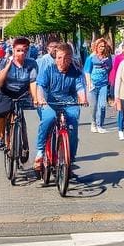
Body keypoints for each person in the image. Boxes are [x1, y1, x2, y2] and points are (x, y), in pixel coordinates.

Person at [33, 42, 87, 175]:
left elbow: (80, 87)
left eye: (66, 58)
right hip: (49, 102)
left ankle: (70, 158)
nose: (62, 61)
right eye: (59, 58)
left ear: (70, 58)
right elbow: (40, 86)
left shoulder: (76, 72)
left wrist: (83, 98)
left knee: (73, 124)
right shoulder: (48, 70)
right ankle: (40, 151)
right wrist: (41, 99)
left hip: (69, 103)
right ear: (55, 58)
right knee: (49, 118)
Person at [0, 37, 38, 152]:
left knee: (20, 117)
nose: (22, 53)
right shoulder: (4, 61)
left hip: (22, 94)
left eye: (24, 50)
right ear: (13, 50)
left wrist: (35, 98)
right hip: (5, 92)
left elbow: (32, 82)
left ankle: (23, 140)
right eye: (18, 50)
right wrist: (8, 64)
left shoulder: (31, 63)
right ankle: (1, 137)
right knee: (3, 115)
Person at [84, 38, 113, 133]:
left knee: (102, 106)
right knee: (94, 106)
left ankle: (100, 124)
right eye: (100, 46)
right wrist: (89, 83)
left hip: (103, 84)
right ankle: (93, 123)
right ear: (96, 47)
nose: (102, 48)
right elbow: (87, 71)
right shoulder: (91, 58)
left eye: (104, 46)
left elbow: (109, 69)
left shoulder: (108, 58)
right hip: (93, 84)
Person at [110, 36, 124, 141]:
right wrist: (114, 88)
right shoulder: (118, 58)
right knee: (121, 110)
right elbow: (115, 71)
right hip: (120, 86)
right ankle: (120, 129)